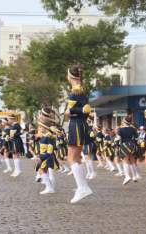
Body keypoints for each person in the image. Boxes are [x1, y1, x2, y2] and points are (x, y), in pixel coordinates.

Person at [64, 65, 93, 203]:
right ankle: (83, 186)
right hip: (81, 124)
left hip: (76, 125)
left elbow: (74, 111)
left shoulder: (74, 92)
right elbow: (85, 109)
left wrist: (71, 112)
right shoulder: (82, 91)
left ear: (70, 76)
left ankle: (83, 187)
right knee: (77, 158)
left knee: (71, 158)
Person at [36, 118, 56, 194]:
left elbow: (50, 149)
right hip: (44, 156)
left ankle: (49, 187)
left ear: (45, 127)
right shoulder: (45, 136)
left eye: (40, 127)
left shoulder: (49, 136)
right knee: (43, 171)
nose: (39, 128)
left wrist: (41, 157)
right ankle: (49, 187)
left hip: (47, 157)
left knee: (42, 171)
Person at [117, 116, 139, 185]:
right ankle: (134, 176)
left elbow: (118, 139)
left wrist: (117, 145)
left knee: (125, 160)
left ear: (124, 121)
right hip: (132, 145)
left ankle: (127, 176)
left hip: (124, 145)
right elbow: (137, 138)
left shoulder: (120, 129)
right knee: (132, 160)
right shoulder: (133, 129)